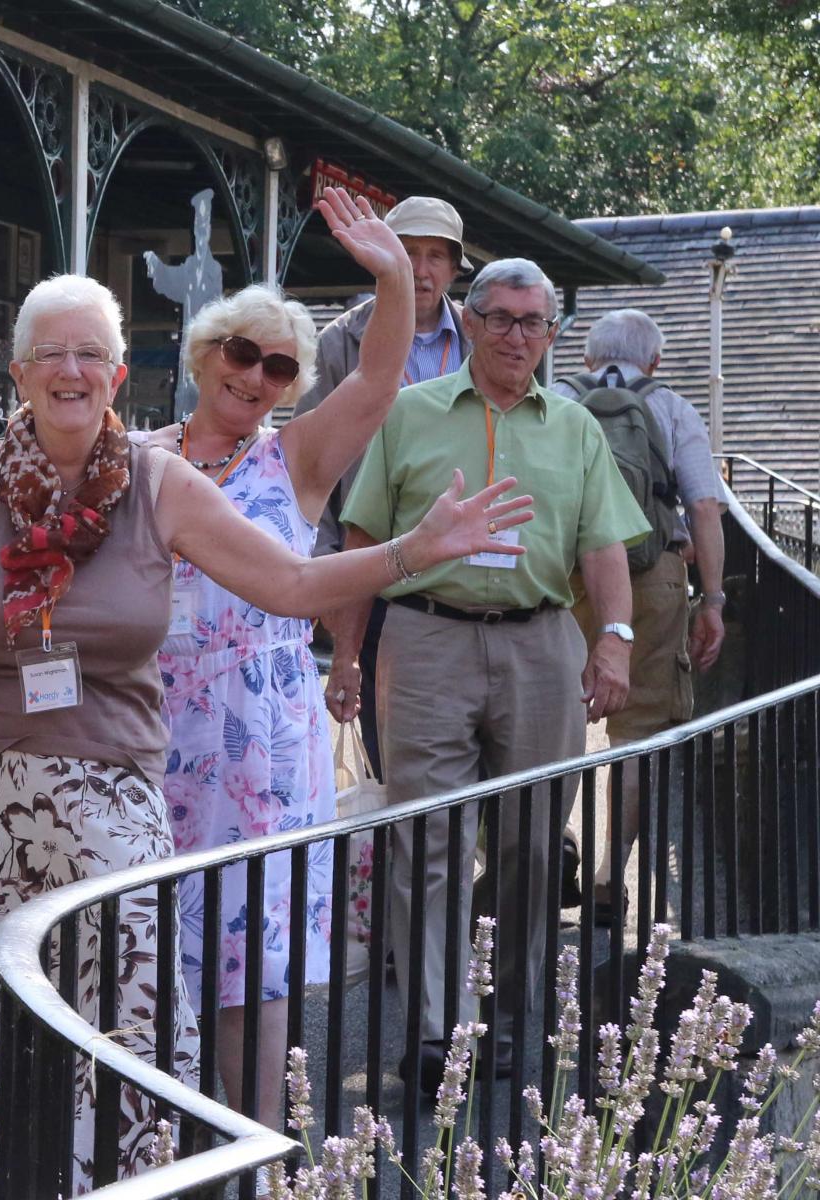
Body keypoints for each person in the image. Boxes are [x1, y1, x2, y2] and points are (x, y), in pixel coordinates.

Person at [0, 271, 532, 1193]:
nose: (71, 370)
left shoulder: (159, 484)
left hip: (108, 797)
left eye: (91, 355)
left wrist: (410, 552)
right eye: (52, 354)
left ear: (117, 376)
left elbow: (292, 586)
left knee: (121, 1026)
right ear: (18, 373)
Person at [327, 257, 650, 1096]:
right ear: (468, 324)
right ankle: (438, 1038)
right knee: (426, 840)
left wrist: (612, 640)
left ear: (552, 334)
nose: (516, 335)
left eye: (533, 322)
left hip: (541, 645)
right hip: (426, 642)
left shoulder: (576, 428)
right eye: (500, 318)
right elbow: (361, 543)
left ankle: (511, 1023)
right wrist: (350, 656)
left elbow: (604, 545)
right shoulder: (409, 413)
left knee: (533, 846)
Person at [148, 186, 413, 1130]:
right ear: (203, 352)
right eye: (241, 353)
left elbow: (378, 384)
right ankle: (161, 1153)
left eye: (279, 367)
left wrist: (391, 282)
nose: (255, 376)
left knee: (247, 959)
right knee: (151, 946)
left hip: (261, 736)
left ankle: (253, 1163)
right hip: (155, 733)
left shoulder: (292, 460)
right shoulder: (137, 457)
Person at [553, 309, 727, 916]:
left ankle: (546, 858)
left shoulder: (555, 400)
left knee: (550, 726)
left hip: (561, 579)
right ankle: (607, 878)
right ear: (654, 361)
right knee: (638, 734)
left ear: (586, 357)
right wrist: (713, 600)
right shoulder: (672, 408)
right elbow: (705, 508)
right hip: (650, 577)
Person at [299, 196, 476, 769]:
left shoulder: (483, 336)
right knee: (390, 738)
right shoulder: (339, 343)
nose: (420, 270)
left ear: (454, 268)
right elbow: (316, 459)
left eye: (435, 256)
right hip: (368, 550)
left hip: (466, 561)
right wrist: (324, 566)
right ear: (382, 257)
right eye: (407, 253)